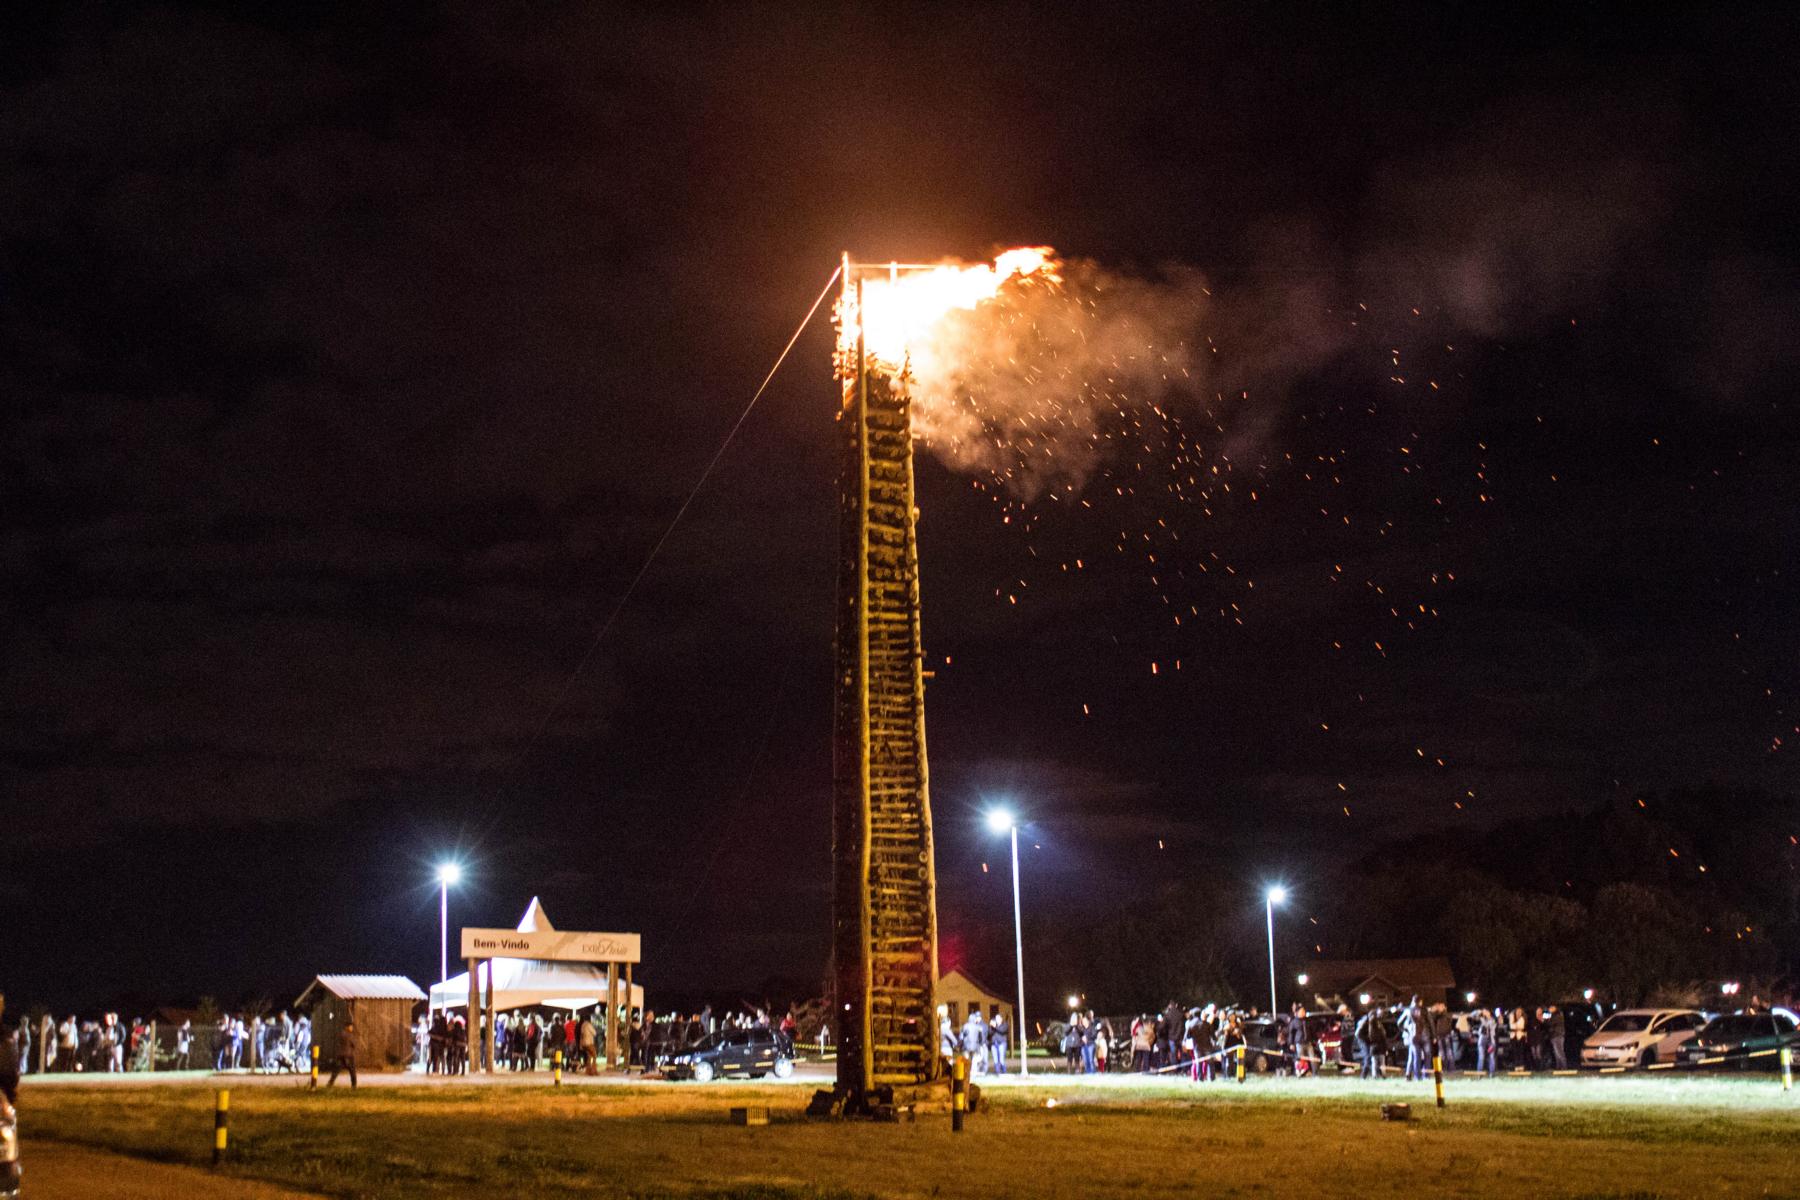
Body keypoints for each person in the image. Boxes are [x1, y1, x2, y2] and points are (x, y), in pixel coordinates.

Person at [327, 1021, 358, 1088]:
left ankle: (330, 1083)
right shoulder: (349, 1035)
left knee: (336, 1070)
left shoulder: (341, 1034)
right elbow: (354, 1044)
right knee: (352, 1071)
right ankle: (354, 1085)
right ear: (347, 1027)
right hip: (349, 1055)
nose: (352, 1028)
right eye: (351, 1026)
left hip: (341, 1055)